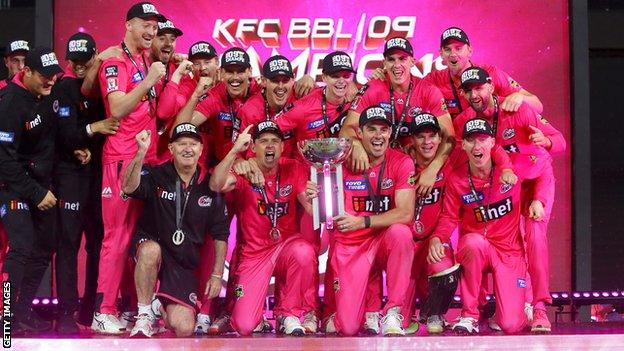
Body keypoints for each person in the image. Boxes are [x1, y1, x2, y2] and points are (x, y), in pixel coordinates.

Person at [454, 67, 566, 333]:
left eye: (479, 88)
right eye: (468, 90)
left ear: (491, 86)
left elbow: (560, 141)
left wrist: (545, 141)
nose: (474, 94)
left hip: (535, 181)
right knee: (482, 237)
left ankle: (538, 308)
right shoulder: (464, 122)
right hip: (505, 188)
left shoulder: (518, 109)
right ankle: (477, 309)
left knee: (535, 236)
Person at [92, 1, 168, 334]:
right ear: (129, 25)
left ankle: (124, 307)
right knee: (117, 238)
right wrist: (150, 79)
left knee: (137, 240)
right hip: (121, 159)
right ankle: (102, 310)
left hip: (144, 159)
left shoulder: (144, 58)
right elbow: (118, 106)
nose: (151, 31)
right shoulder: (115, 60)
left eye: (155, 25)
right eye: (145, 25)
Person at [433, 118, 545, 334]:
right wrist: (438, 238)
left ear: (493, 142)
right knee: (471, 243)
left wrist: (538, 198)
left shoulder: (513, 168)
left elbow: (544, 168)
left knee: (511, 325)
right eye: (471, 141)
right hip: (478, 247)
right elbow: (448, 218)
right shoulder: (457, 180)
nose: (477, 146)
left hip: (509, 251)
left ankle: (520, 306)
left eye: (483, 140)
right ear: (463, 145)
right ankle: (469, 315)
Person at [209, 121, 317, 336]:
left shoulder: (293, 168)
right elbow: (216, 185)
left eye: (275, 141)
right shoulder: (243, 170)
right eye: (264, 141)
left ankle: (288, 313)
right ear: (253, 147)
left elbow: (311, 209)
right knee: (244, 325)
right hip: (255, 253)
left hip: (286, 246)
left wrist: (317, 198)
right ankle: (255, 315)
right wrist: (234, 153)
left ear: (282, 147)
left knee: (304, 251)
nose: (270, 146)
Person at [121, 123, 229, 337]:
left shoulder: (209, 184)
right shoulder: (157, 174)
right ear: (171, 148)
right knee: (151, 250)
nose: (187, 149)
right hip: (152, 248)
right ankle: (144, 315)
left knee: (185, 328)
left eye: (193, 144)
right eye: (181, 144)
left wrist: (217, 274)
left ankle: (157, 307)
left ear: (201, 149)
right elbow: (128, 187)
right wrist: (141, 152)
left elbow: (220, 233)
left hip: (182, 264)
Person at [320, 105, 416, 336]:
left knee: (401, 233)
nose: (378, 136)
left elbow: (405, 213)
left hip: (383, 238)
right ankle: (363, 310)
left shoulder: (402, 162)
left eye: (383, 130)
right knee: (349, 328)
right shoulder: (341, 161)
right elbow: (326, 213)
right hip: (352, 243)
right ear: (359, 133)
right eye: (371, 129)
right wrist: (314, 193)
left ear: (390, 133)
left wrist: (362, 221)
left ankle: (393, 312)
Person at [52, 32, 120, 333]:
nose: (80, 68)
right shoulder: (65, 88)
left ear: (96, 59)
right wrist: (94, 129)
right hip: (70, 177)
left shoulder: (107, 84)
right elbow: (65, 133)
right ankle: (66, 310)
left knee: (98, 245)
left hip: (99, 175)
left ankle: (90, 308)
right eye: (75, 63)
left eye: (85, 62)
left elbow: (117, 124)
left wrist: (90, 139)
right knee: (68, 244)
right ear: (68, 62)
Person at [0, 46, 64, 332]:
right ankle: (6, 317)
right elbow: (3, 159)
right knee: (22, 246)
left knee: (44, 247)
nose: (51, 81)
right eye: (45, 76)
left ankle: (22, 313)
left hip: (42, 186)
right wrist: (35, 193)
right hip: (12, 186)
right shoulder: (11, 102)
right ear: (26, 72)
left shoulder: (47, 95)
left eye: (54, 75)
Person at [340, 37, 453, 197]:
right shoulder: (372, 89)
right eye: (391, 59)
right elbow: (347, 129)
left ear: (412, 62)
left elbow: (449, 137)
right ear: (384, 63)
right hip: (382, 162)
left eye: (402, 59)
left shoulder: (428, 91)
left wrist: (433, 169)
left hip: (418, 161)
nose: (397, 65)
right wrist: (356, 146)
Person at [424, 27, 543, 118]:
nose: (453, 54)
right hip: (458, 144)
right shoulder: (433, 80)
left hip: (489, 143)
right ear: (441, 54)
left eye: (458, 48)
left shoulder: (492, 73)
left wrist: (520, 97)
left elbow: (538, 106)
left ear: (470, 51)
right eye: (447, 49)